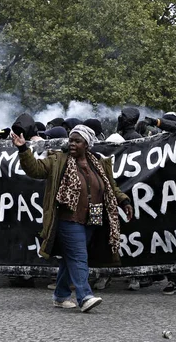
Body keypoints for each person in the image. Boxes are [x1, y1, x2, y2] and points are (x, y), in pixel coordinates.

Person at [12, 125, 134, 312]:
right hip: (68, 219)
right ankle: (84, 296)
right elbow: (35, 169)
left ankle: (60, 295)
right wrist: (22, 149)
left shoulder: (99, 163)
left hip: (92, 220)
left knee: (71, 258)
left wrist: (124, 201)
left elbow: (110, 186)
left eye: (78, 141)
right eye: (71, 140)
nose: (73, 144)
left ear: (87, 145)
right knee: (78, 256)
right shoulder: (58, 160)